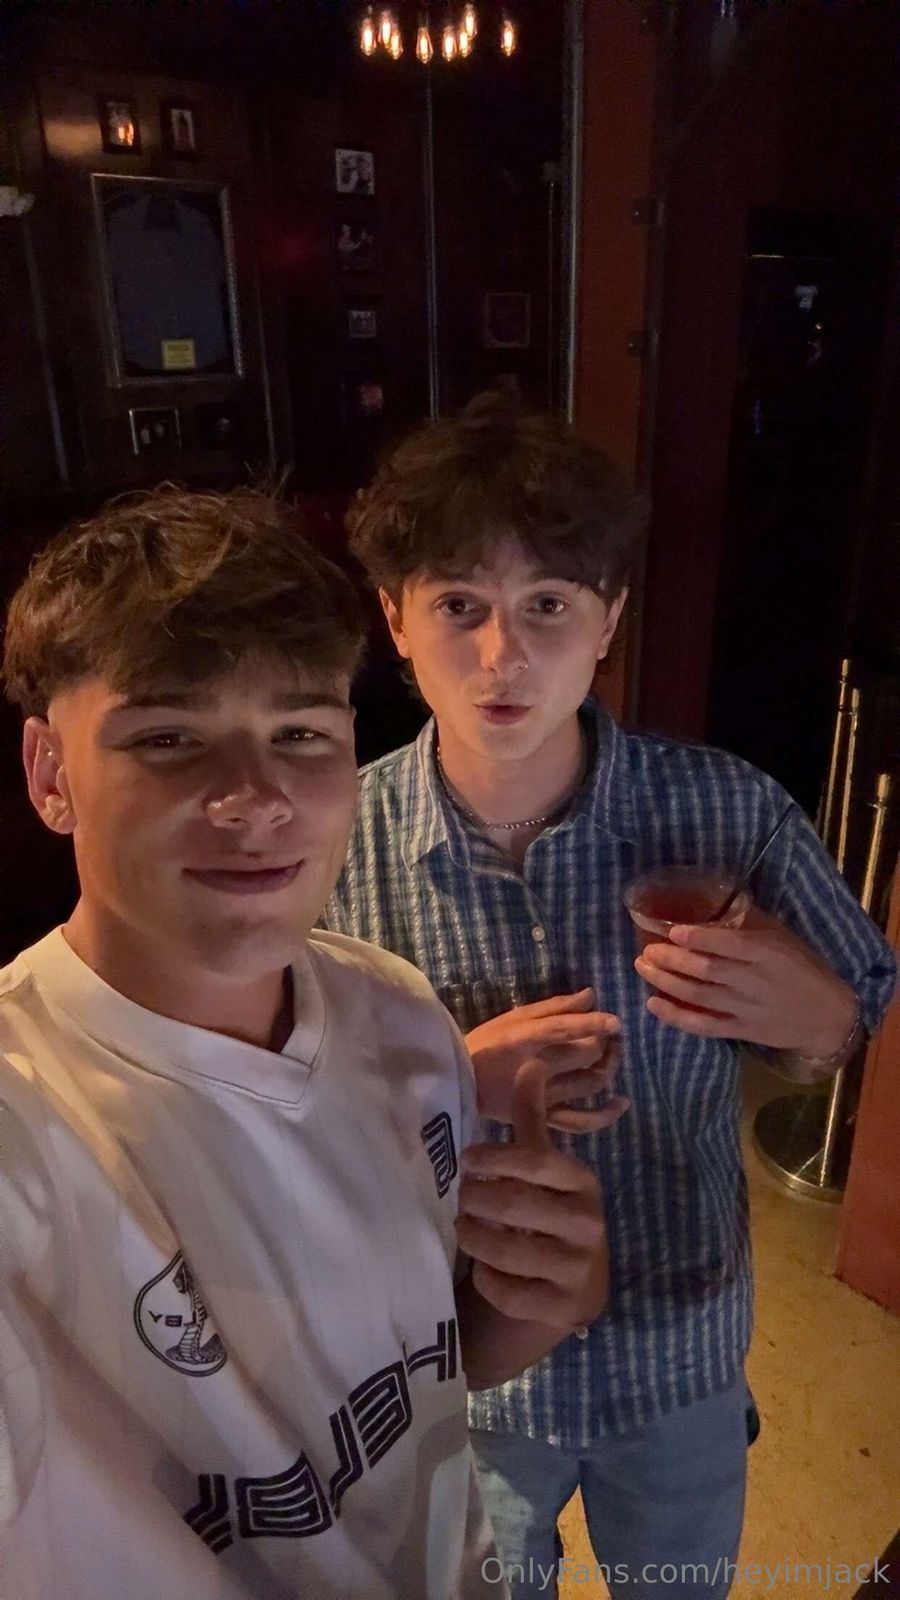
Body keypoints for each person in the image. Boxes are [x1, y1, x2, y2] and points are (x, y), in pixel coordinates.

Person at [323, 391, 897, 1599]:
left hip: (679, 1353)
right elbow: (273, 1111)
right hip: (464, 1370)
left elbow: (861, 1005)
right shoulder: (330, 846)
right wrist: (445, 1075)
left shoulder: (729, 811)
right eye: (460, 606)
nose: (503, 656)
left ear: (609, 621)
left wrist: (820, 1021)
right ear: (395, 619)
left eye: (547, 605)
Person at [0, 485, 614, 1600]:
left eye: (300, 733)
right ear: (51, 774)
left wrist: (534, 1298)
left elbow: (417, 1375)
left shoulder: (403, 1017)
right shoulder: (25, 1117)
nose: (255, 797)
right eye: (168, 736)